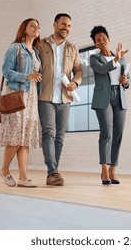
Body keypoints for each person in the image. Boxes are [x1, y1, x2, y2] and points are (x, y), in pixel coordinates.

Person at [38, 13, 83, 186]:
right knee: (48, 133)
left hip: (65, 99)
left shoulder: (73, 48)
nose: (66, 28)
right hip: (46, 97)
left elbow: (79, 70)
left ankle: (53, 173)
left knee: (60, 137)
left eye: (69, 26)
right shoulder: (41, 44)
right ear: (55, 24)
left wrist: (75, 82)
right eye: (63, 24)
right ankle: (53, 171)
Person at [0, 18, 43, 188]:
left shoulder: (36, 52)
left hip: (31, 98)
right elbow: (6, 71)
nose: (36, 28)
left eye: (38, 26)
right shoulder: (15, 47)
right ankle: (4, 169)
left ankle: (23, 178)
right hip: (17, 95)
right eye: (32, 25)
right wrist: (27, 76)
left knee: (25, 139)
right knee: (16, 137)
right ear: (24, 29)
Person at [89, 25, 130, 185]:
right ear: (95, 43)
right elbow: (102, 69)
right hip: (103, 98)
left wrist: (125, 81)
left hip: (120, 97)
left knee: (118, 134)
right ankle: (104, 169)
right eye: (98, 40)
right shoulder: (94, 58)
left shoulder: (120, 57)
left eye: (104, 39)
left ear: (109, 39)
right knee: (107, 133)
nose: (101, 41)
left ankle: (113, 169)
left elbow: (128, 78)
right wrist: (116, 60)